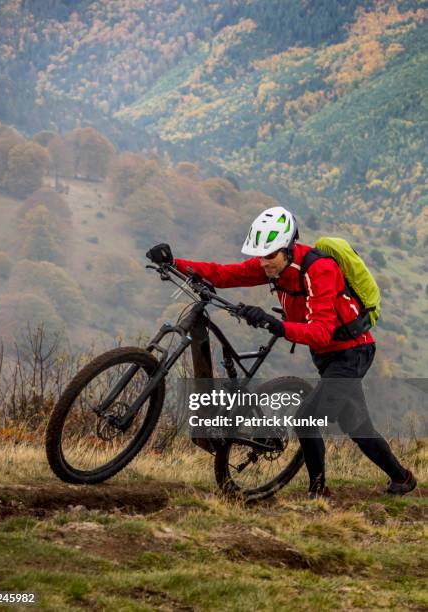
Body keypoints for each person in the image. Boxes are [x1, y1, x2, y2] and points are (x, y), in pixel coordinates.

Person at [146, 206, 417, 498]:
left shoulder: (319, 269)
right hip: (325, 355)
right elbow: (223, 274)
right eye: (260, 255)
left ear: (288, 248)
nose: (264, 262)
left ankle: (318, 494)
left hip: (352, 352)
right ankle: (402, 478)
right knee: (357, 425)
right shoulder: (272, 265)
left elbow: (321, 331)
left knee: (307, 418)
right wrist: (175, 262)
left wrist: (276, 324)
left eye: (271, 254)